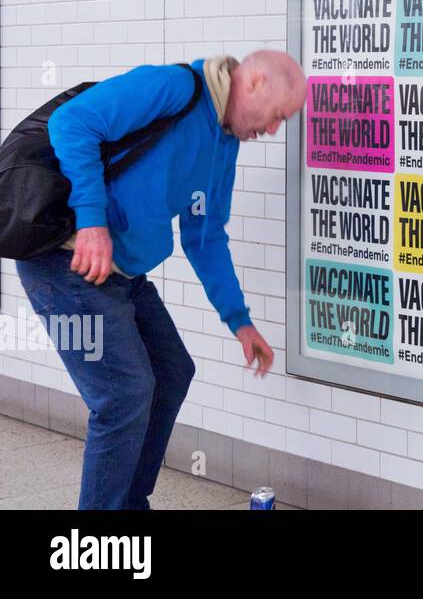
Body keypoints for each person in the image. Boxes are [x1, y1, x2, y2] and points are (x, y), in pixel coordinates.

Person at [13, 50, 308, 510]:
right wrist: (91, 221)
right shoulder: (173, 89)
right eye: (277, 117)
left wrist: (240, 321)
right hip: (64, 261)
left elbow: (205, 237)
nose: (272, 130)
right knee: (123, 394)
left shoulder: (223, 145)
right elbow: (72, 123)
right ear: (252, 85)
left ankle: (129, 506)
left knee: (172, 371)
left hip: (121, 274)